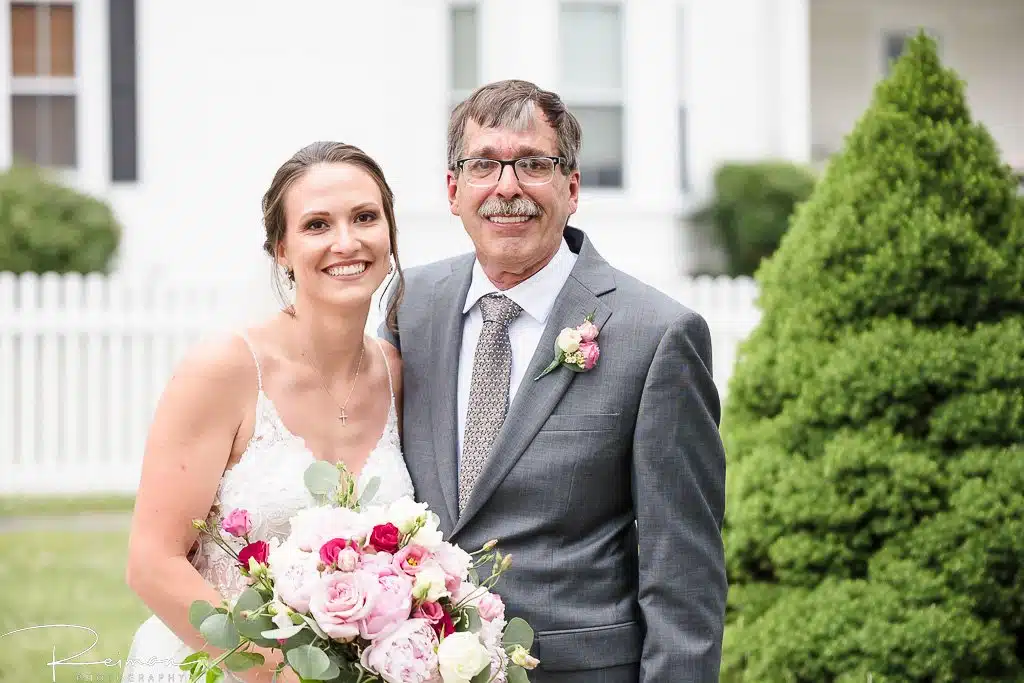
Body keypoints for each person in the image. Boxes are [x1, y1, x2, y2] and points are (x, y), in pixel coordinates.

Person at [378, 80, 727, 682]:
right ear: (453, 190)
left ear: (572, 188)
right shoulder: (410, 305)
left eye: (534, 164)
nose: (507, 186)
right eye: (484, 164)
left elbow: (683, 573)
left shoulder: (658, 335)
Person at [123, 142, 414, 683]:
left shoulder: (396, 375)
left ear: (390, 234)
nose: (346, 242)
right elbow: (152, 562)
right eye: (317, 225)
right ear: (281, 249)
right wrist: (281, 674)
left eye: (365, 218)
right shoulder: (227, 368)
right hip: (218, 667)